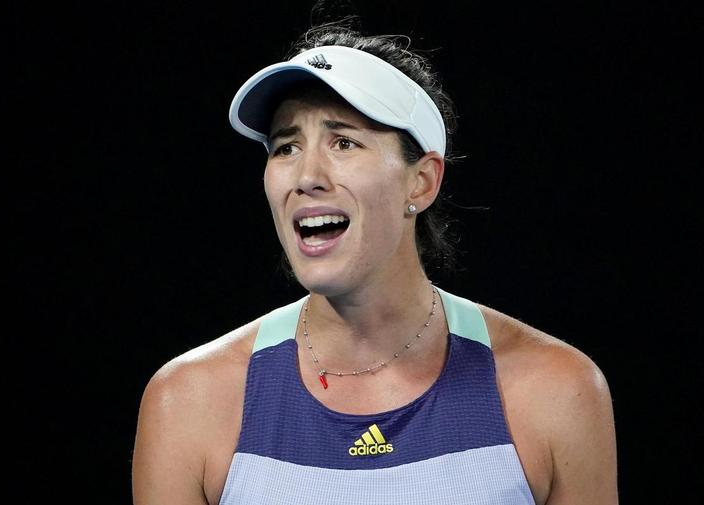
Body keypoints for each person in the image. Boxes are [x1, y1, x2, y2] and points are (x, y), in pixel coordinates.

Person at [131, 20, 618, 505]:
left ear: (422, 182)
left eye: (344, 142)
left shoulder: (558, 391)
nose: (307, 176)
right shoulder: (187, 403)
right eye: (286, 147)